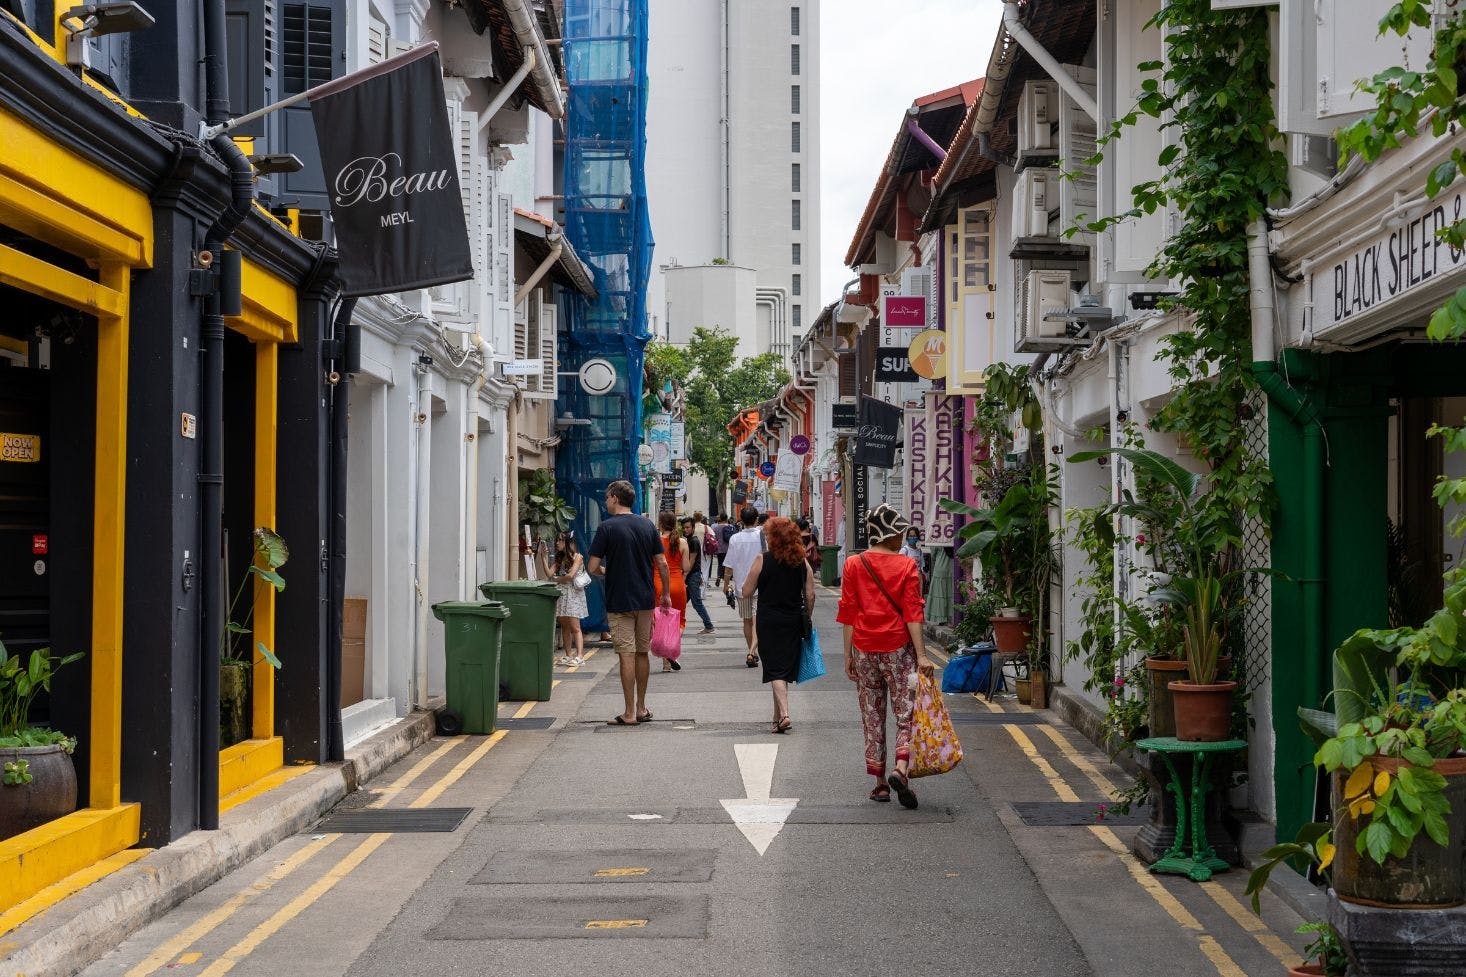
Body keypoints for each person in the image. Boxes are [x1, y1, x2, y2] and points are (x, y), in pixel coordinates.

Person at [837, 503, 934, 809]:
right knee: (907, 713)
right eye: (900, 532)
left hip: (864, 648)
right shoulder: (907, 566)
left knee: (872, 713)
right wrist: (922, 656)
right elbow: (913, 612)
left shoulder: (853, 564)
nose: (903, 537)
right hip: (897, 650)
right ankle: (901, 769)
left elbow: (848, 611)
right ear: (890, 534)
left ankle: (879, 783)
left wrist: (848, 654)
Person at [586, 480, 671, 726]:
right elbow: (662, 563)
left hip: (619, 601)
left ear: (614, 497)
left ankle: (629, 713)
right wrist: (664, 593)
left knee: (626, 655)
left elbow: (592, 567)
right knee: (642, 653)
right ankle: (642, 707)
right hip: (645, 600)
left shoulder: (606, 528)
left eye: (606, 497)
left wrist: (607, 572)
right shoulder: (647, 526)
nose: (605, 501)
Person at [740, 516, 815, 734]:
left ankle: (784, 714)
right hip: (793, 620)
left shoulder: (762, 560)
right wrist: (806, 617)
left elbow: (746, 592)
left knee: (775, 670)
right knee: (782, 669)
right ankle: (776, 718)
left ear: (773, 538)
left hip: (769, 620)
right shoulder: (802, 561)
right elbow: (810, 595)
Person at [722, 506, 764, 667]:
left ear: (741, 520)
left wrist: (726, 585)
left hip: (742, 586)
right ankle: (752, 652)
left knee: (747, 621)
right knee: (757, 620)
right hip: (761, 585)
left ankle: (751, 650)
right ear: (756, 520)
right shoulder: (762, 537)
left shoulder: (735, 539)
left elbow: (729, 566)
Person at [538, 532, 586, 666]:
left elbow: (570, 575)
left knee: (575, 626)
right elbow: (549, 573)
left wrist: (558, 579)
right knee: (565, 626)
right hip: (562, 594)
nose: (557, 543)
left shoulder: (578, 557)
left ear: (567, 543)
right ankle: (568, 655)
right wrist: (543, 557)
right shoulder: (559, 559)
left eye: (560, 541)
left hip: (573, 594)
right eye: (557, 541)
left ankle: (580, 656)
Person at [681, 517, 715, 634]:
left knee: (696, 603)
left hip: (692, 576)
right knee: (682, 602)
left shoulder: (693, 541)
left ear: (693, 528)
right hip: (692, 576)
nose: (685, 529)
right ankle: (675, 624)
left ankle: (709, 625)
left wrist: (684, 576)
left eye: (688, 527)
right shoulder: (689, 540)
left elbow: (691, 561)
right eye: (684, 527)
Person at [715, 514, 737, 593]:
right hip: (729, 548)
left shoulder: (716, 527)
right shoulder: (731, 527)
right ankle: (727, 577)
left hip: (719, 548)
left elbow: (714, 538)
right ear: (726, 519)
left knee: (720, 563)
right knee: (728, 564)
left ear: (720, 518)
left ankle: (718, 576)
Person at [692, 510, 713, 582]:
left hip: (693, 549)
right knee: (705, 569)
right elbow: (713, 537)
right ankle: (702, 589)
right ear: (702, 518)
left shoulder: (692, 527)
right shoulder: (706, 527)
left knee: (694, 568)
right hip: (705, 549)